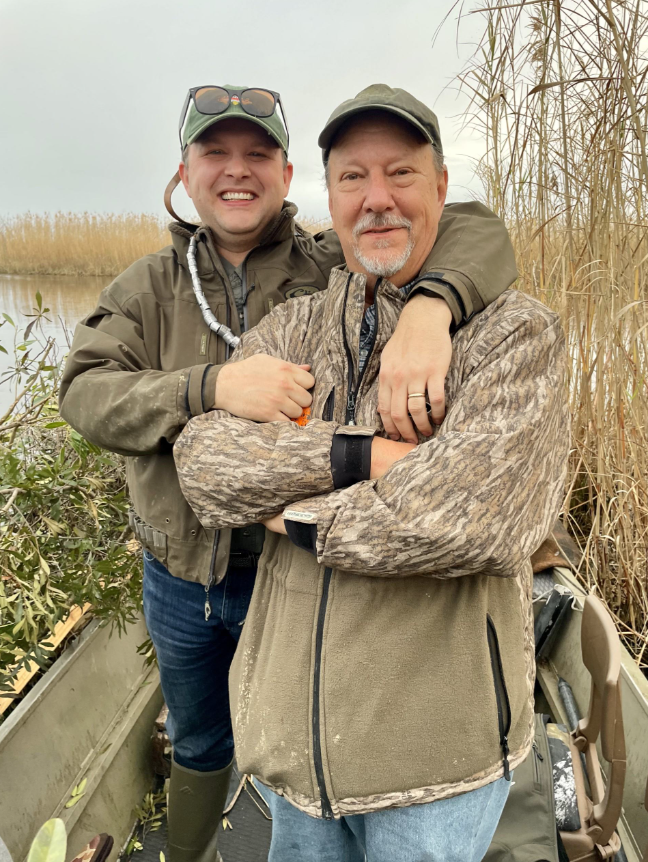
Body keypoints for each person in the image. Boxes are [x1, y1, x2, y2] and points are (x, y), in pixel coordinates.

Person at [59, 84, 518, 862]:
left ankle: (284, 824)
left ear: (286, 174)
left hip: (294, 569)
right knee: (202, 737)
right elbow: (83, 393)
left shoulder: (324, 264)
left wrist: (429, 307)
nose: (236, 172)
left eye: (257, 156)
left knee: (297, 732)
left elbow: (471, 226)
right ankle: (194, 849)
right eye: (216, 154)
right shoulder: (145, 287)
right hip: (182, 578)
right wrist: (204, 388)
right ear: (185, 171)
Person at [174, 84, 570, 862]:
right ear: (330, 194)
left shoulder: (516, 336)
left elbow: (470, 522)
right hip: (295, 752)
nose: (376, 199)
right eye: (353, 177)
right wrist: (353, 455)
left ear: (443, 190)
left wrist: (289, 516)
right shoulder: (291, 327)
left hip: (433, 767)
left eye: (401, 175)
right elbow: (204, 468)